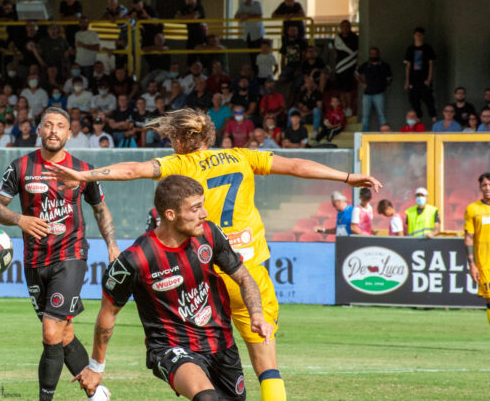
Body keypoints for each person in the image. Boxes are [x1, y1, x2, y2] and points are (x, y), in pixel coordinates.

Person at [43, 108, 381, 401]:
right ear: (209, 135)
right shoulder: (243, 156)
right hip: (248, 273)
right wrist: (348, 177)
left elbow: (132, 170)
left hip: (204, 275)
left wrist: (85, 175)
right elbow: (294, 165)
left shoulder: (179, 163)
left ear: (178, 139)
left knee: (195, 357)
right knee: (267, 368)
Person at [72, 175, 272, 401]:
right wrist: (96, 366)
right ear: (170, 214)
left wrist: (256, 314)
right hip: (170, 347)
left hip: (221, 343)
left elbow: (244, 278)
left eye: (203, 206)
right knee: (206, 398)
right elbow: (108, 313)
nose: (204, 213)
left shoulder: (210, 234)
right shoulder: (135, 260)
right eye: (195, 208)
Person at [0, 107, 119, 401]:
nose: (53, 131)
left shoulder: (81, 169)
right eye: (48, 125)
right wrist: (20, 219)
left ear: (69, 133)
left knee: (50, 332)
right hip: (34, 260)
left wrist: (111, 245)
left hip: (70, 255)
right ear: (39, 129)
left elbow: (99, 208)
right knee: (64, 333)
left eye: (60, 126)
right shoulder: (20, 167)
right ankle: (97, 394)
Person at [464, 172, 490, 324]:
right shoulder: (473, 209)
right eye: (484, 185)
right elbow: (468, 238)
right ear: (480, 188)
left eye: (489, 184)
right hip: (485, 264)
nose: (487, 188)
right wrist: (472, 265)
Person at [404, 27, 437, 122]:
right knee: (414, 102)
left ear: (423, 36)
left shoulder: (428, 48)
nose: (418, 37)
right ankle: (418, 122)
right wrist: (407, 81)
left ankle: (434, 120)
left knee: (429, 100)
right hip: (413, 79)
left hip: (424, 79)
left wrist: (429, 78)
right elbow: (408, 66)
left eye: (420, 35)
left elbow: (431, 64)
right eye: (417, 35)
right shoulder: (410, 49)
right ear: (414, 36)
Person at [357, 47, 392, 132]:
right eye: (371, 53)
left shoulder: (384, 65)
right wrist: (361, 83)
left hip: (379, 93)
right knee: (365, 116)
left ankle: (383, 137)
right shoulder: (366, 65)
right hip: (367, 94)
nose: (373, 55)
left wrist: (383, 85)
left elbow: (389, 78)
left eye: (375, 53)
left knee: (381, 115)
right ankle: (364, 137)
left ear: (378, 54)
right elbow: (356, 73)